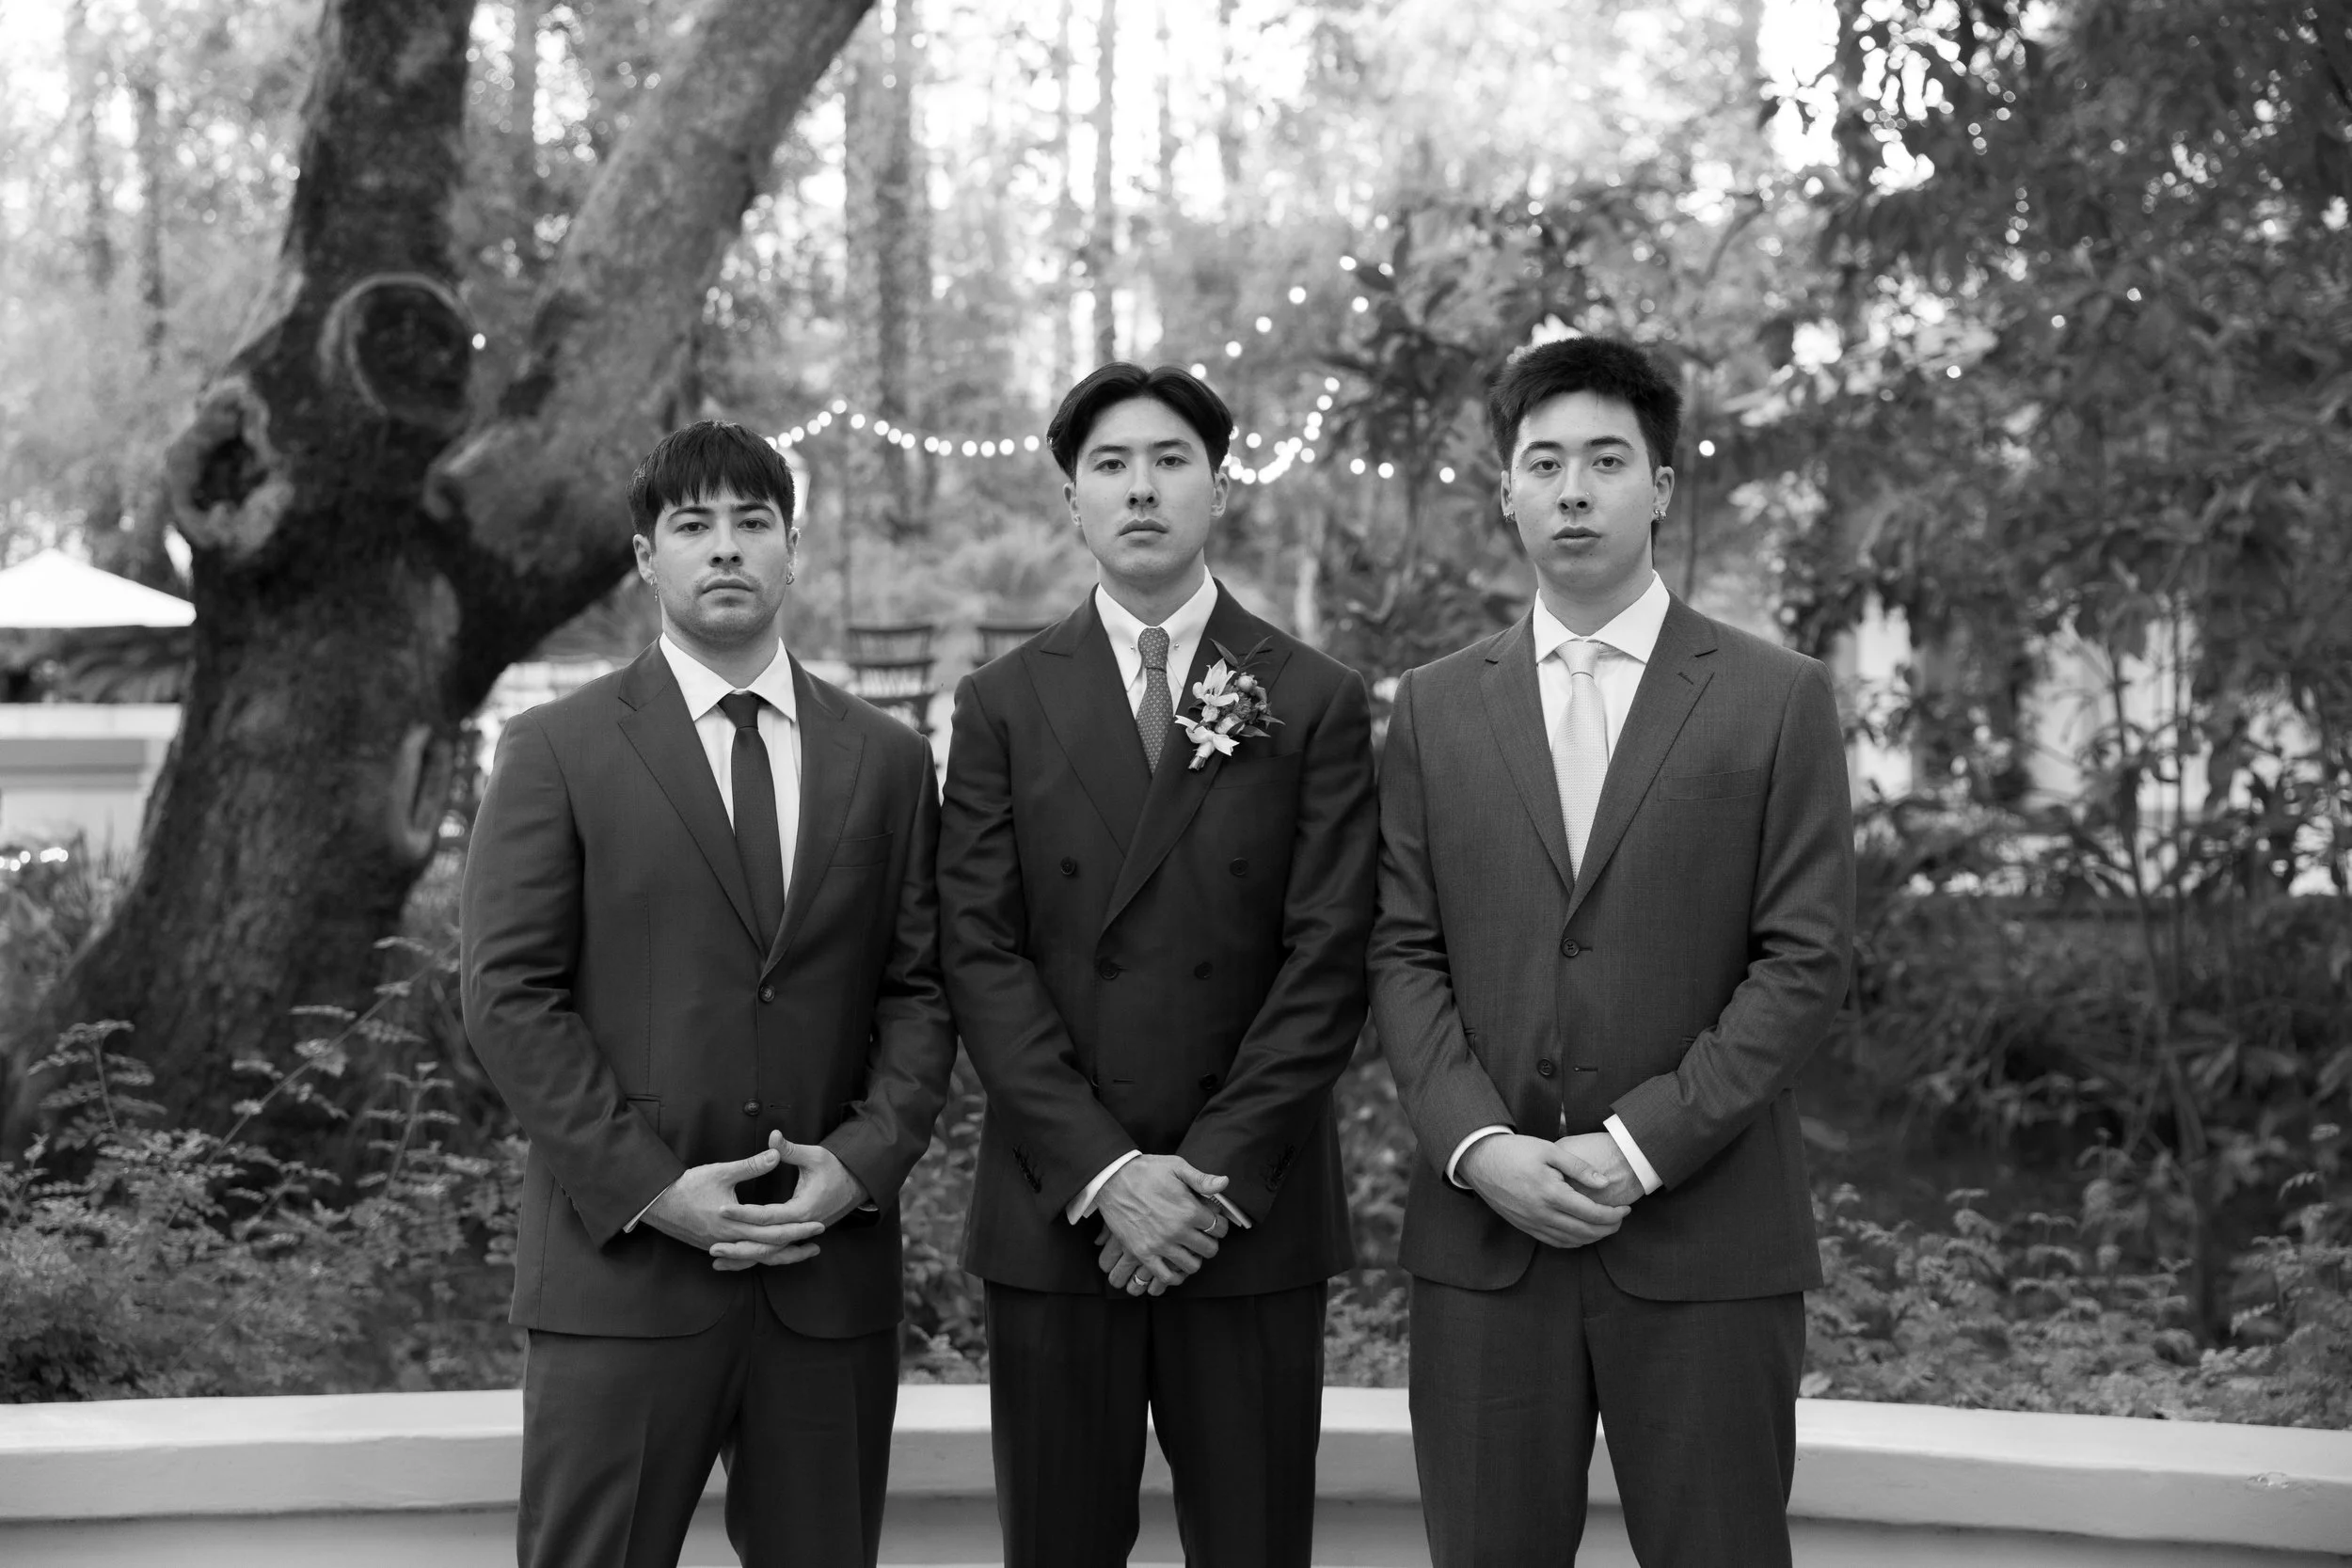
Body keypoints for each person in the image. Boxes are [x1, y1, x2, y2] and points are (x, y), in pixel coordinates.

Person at [1370, 336, 1855, 1567]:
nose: (1573, 488)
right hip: (1487, 1248)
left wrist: (1638, 1145)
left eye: (1605, 459)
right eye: (1545, 462)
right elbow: (1402, 950)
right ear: (1507, 489)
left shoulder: (1773, 696)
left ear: (1661, 485)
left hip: (1708, 1243)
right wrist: (1482, 1147)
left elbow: (1802, 961)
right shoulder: (1434, 705)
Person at [461, 420, 956, 1568]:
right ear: (647, 559)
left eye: (752, 523)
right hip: (620, 1274)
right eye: (693, 527)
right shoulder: (555, 749)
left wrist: (865, 1161)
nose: (724, 549)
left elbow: (920, 988)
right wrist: (648, 1186)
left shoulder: (884, 758)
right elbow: (508, 997)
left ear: (792, 551)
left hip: (823, 1278)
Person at [938, 363, 1378, 1568]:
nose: (1142, 489)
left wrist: (1206, 1174)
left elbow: (1329, 954)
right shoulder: (1001, 703)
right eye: (1111, 466)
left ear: (1217, 490)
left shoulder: (1312, 697)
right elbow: (978, 950)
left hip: (1248, 1216)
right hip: (1057, 1213)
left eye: (1170, 460)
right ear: (1071, 500)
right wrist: (1106, 1173)